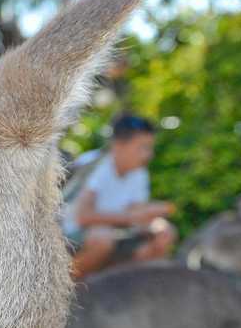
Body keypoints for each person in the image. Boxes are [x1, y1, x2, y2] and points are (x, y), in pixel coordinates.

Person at [63, 114, 177, 279]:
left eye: (150, 148)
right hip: (73, 238)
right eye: (142, 147)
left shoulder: (139, 172)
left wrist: (155, 220)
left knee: (164, 233)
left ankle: (117, 287)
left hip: (115, 232)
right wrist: (131, 217)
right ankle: (67, 286)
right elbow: (82, 217)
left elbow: (136, 212)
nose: (149, 155)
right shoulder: (95, 165)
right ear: (118, 145)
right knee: (102, 238)